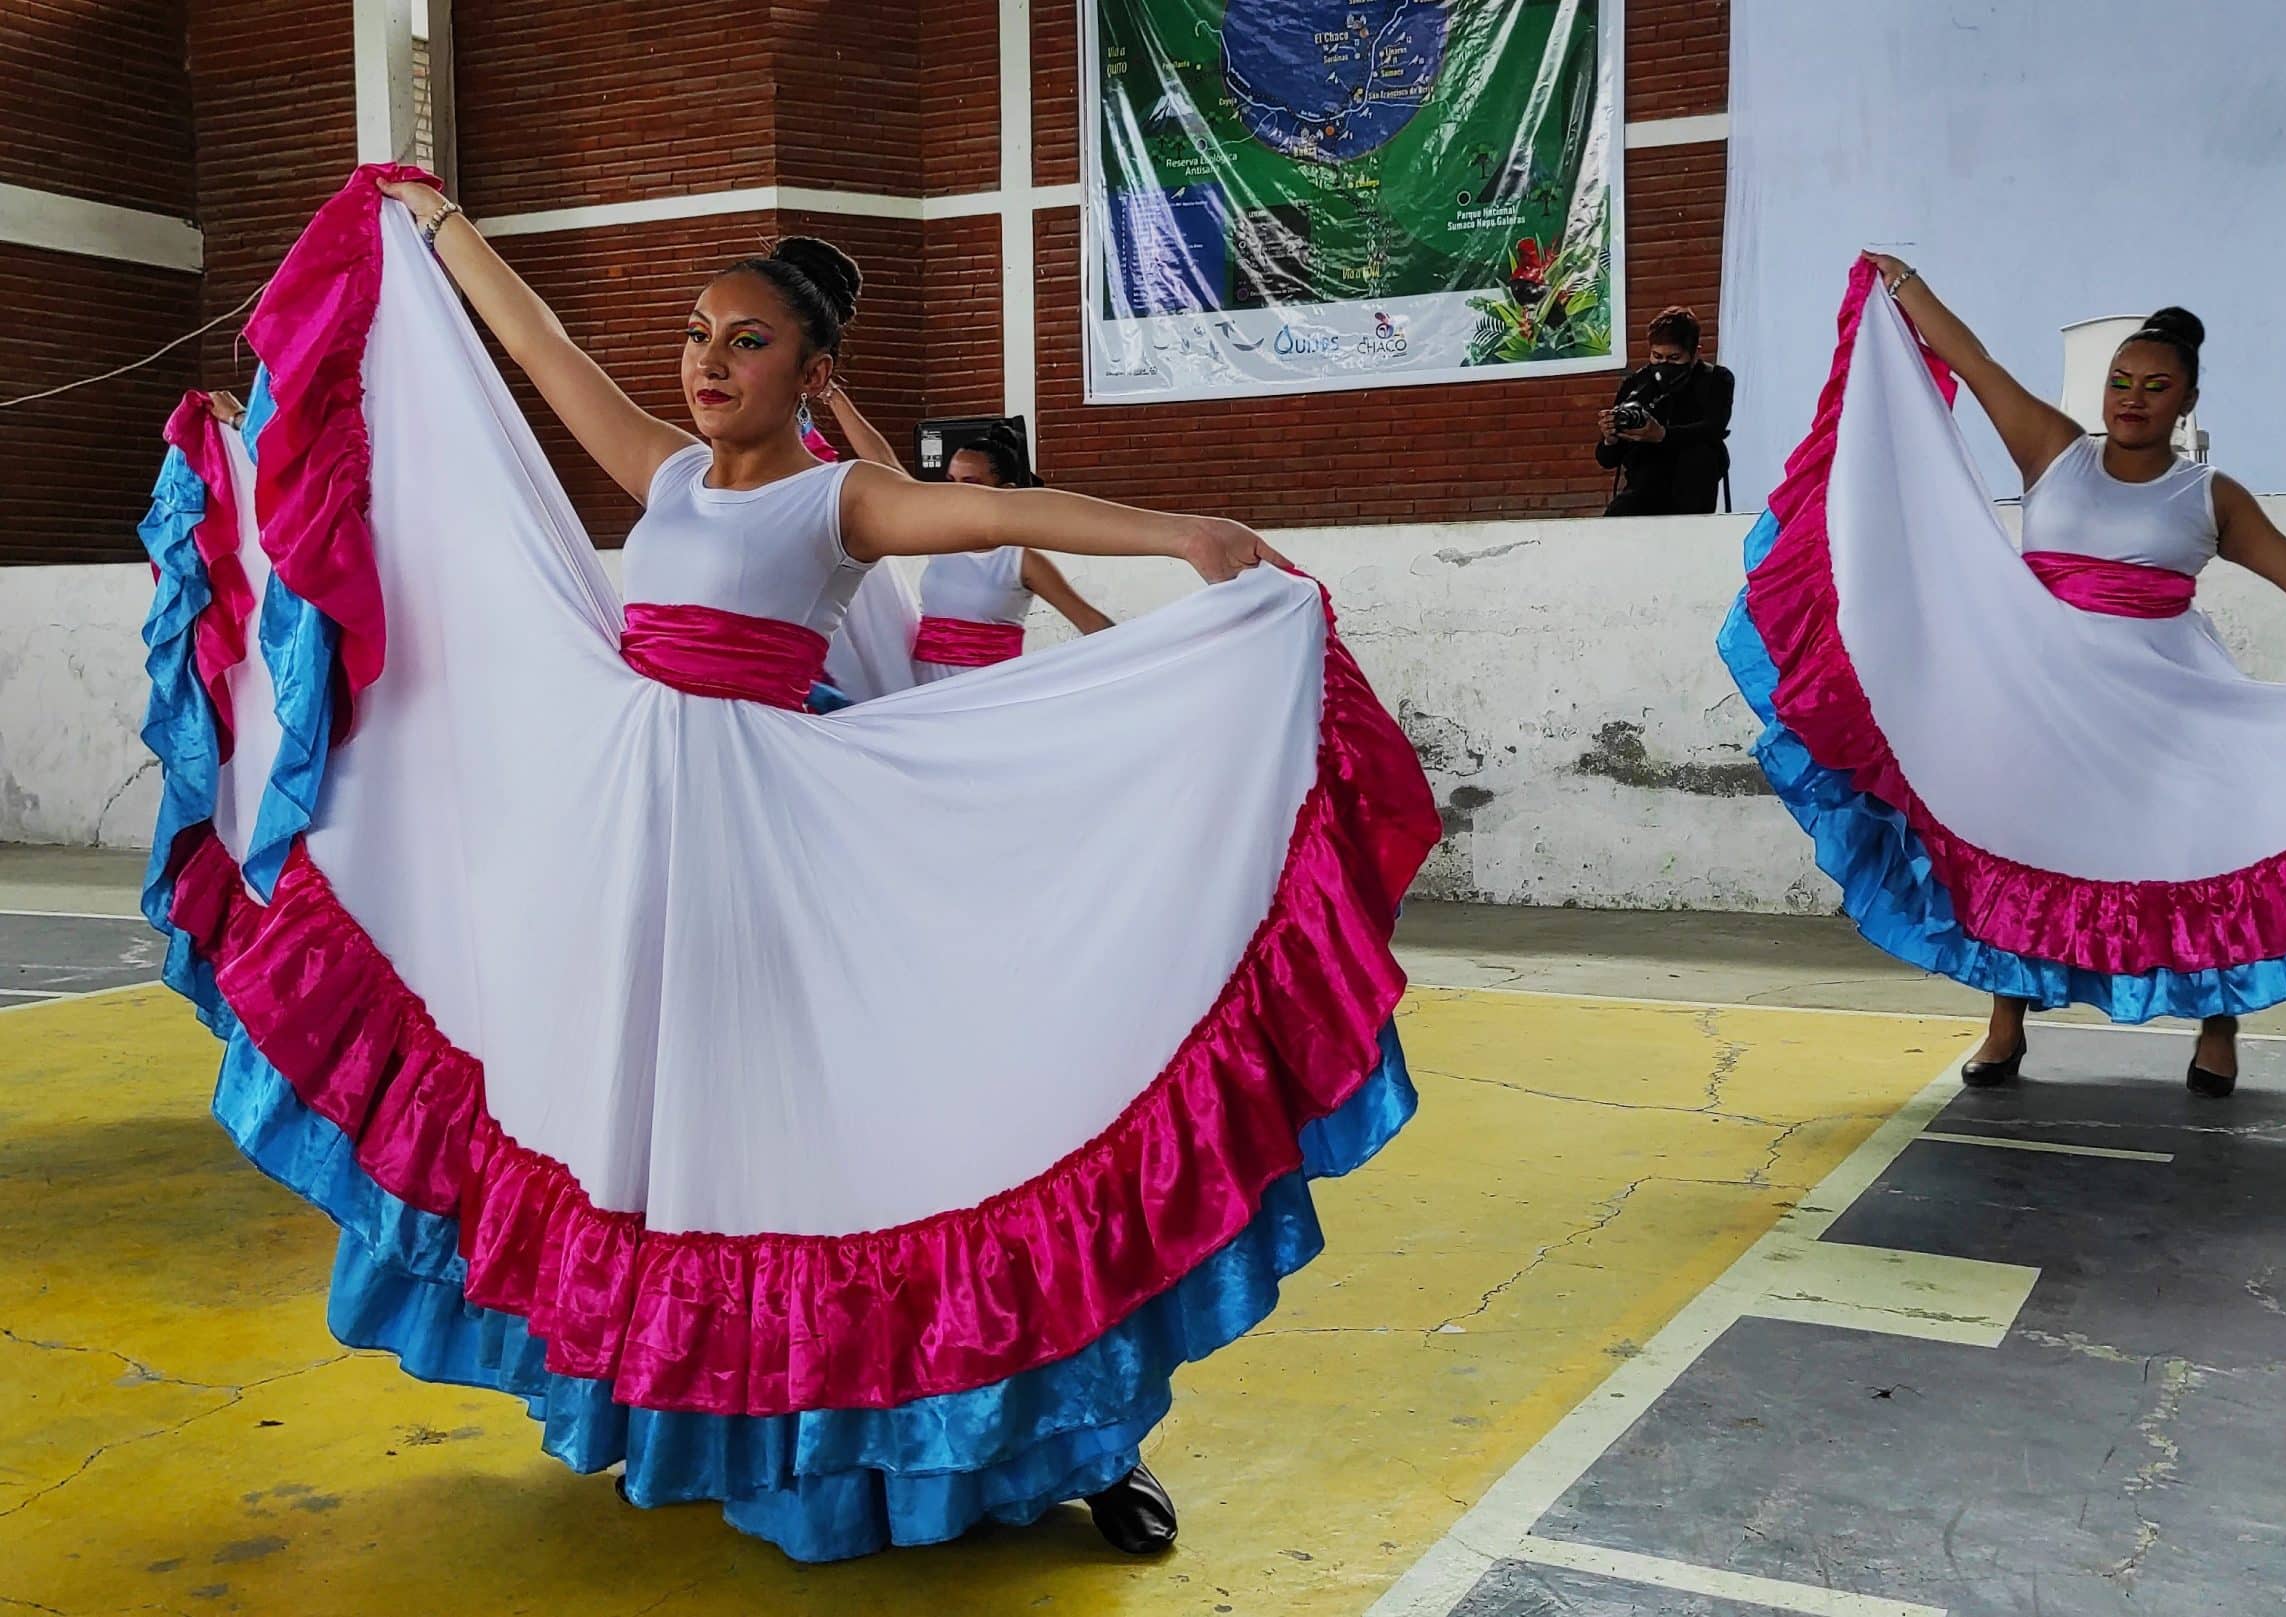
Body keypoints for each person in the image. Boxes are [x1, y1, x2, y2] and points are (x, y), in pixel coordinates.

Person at [134, 164, 1437, 1567]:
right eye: (698, 333)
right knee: (669, 1134)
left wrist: (1177, 534)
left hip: (766, 832)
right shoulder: (667, 473)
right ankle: (730, 1427)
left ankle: (1078, 1439)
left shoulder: (840, 502)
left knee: (850, 1133)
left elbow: (1009, 517)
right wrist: (436, 222)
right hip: (628, 832)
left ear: (811, 370)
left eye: (745, 340)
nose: (709, 361)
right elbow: (540, 352)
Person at [1716, 255, 2286, 1098]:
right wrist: (1905, 286)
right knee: (2017, 837)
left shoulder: (2210, 496)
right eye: (2121, 380)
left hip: (2172, 702)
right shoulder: (2054, 453)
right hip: (2045, 694)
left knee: (2206, 848)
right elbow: (1975, 364)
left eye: (2155, 385)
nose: (2132, 397)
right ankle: (2005, 1024)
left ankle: (2217, 1030)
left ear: (2187, 400)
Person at [907, 422, 1113, 677]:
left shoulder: (1022, 561)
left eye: (970, 483)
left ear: (1005, 492)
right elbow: (889, 472)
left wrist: (1145, 662)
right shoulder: (937, 539)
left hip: (988, 697)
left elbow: (1091, 622)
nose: (955, 492)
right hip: (922, 694)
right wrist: (840, 398)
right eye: (951, 481)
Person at [1595, 307, 1734, 516]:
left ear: (1695, 353)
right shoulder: (1636, 385)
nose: (1663, 365)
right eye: (1657, 357)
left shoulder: (1716, 379)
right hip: (1643, 486)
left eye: (1674, 358)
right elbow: (1607, 460)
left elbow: (1713, 427)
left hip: (1693, 486)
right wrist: (1610, 439)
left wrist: (1662, 435)